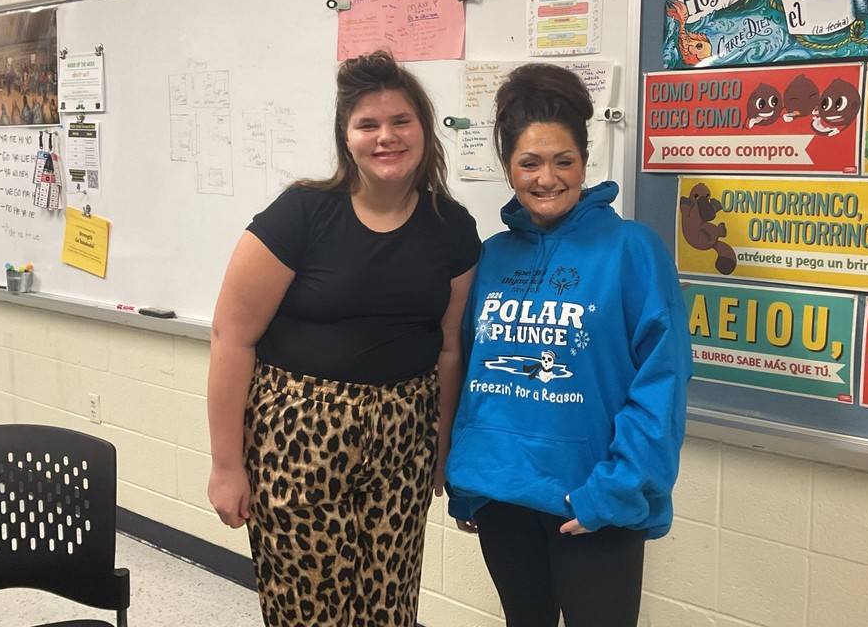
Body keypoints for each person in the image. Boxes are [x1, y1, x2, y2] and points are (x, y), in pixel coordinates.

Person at [207, 49, 480, 627]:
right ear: (346, 136)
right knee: (307, 608)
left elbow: (450, 347)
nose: (387, 136)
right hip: (299, 437)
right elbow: (231, 338)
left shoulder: (451, 226)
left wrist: (443, 448)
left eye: (401, 121)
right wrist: (227, 465)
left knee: (390, 605)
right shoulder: (302, 213)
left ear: (424, 130)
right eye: (368, 124)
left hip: (405, 438)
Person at [445, 63, 692, 627]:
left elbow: (663, 383)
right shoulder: (492, 257)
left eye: (563, 161)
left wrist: (616, 490)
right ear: (508, 167)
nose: (547, 178)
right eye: (529, 162)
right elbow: (472, 371)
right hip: (503, 497)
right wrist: (468, 475)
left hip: (594, 501)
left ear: (584, 161)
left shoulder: (633, 250)